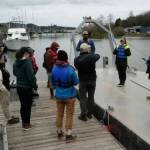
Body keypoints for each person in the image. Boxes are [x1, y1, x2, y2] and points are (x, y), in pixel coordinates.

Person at [51, 50, 79, 142]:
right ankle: (68, 134)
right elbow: (76, 82)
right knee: (69, 115)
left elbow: (53, 83)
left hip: (58, 95)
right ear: (66, 58)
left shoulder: (54, 68)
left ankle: (59, 131)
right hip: (69, 96)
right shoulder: (70, 69)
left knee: (59, 114)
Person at [74, 43, 100, 121]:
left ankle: (83, 115)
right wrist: (90, 53)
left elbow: (76, 66)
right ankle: (90, 113)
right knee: (91, 98)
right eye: (88, 48)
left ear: (81, 50)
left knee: (83, 98)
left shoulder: (77, 59)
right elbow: (98, 56)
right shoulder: (92, 56)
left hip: (83, 81)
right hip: (92, 80)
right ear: (87, 49)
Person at [13, 47, 37, 130]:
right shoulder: (27, 63)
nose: (29, 55)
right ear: (24, 54)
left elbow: (15, 73)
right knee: (28, 107)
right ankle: (27, 124)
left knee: (23, 106)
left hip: (19, 87)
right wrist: (35, 86)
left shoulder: (15, 62)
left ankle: (23, 123)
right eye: (27, 54)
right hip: (27, 88)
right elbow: (31, 77)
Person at [0, 46, 19, 125]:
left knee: (7, 104)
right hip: (2, 88)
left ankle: (10, 116)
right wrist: (2, 88)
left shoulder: (2, 66)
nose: (4, 59)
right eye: (3, 58)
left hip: (6, 87)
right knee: (5, 104)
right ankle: (9, 119)